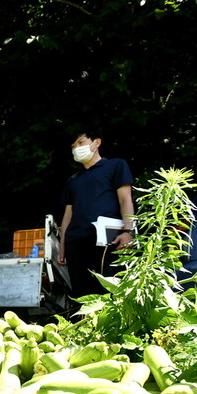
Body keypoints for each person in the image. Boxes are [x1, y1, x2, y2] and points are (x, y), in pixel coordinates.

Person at [58, 128, 135, 300]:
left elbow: (126, 200)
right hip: (75, 240)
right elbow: (67, 214)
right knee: (81, 292)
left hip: (108, 238)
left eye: (80, 142)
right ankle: (82, 325)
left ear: (96, 142)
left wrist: (129, 232)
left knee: (112, 287)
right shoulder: (73, 179)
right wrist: (62, 245)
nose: (76, 148)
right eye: (73, 145)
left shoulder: (115, 165)